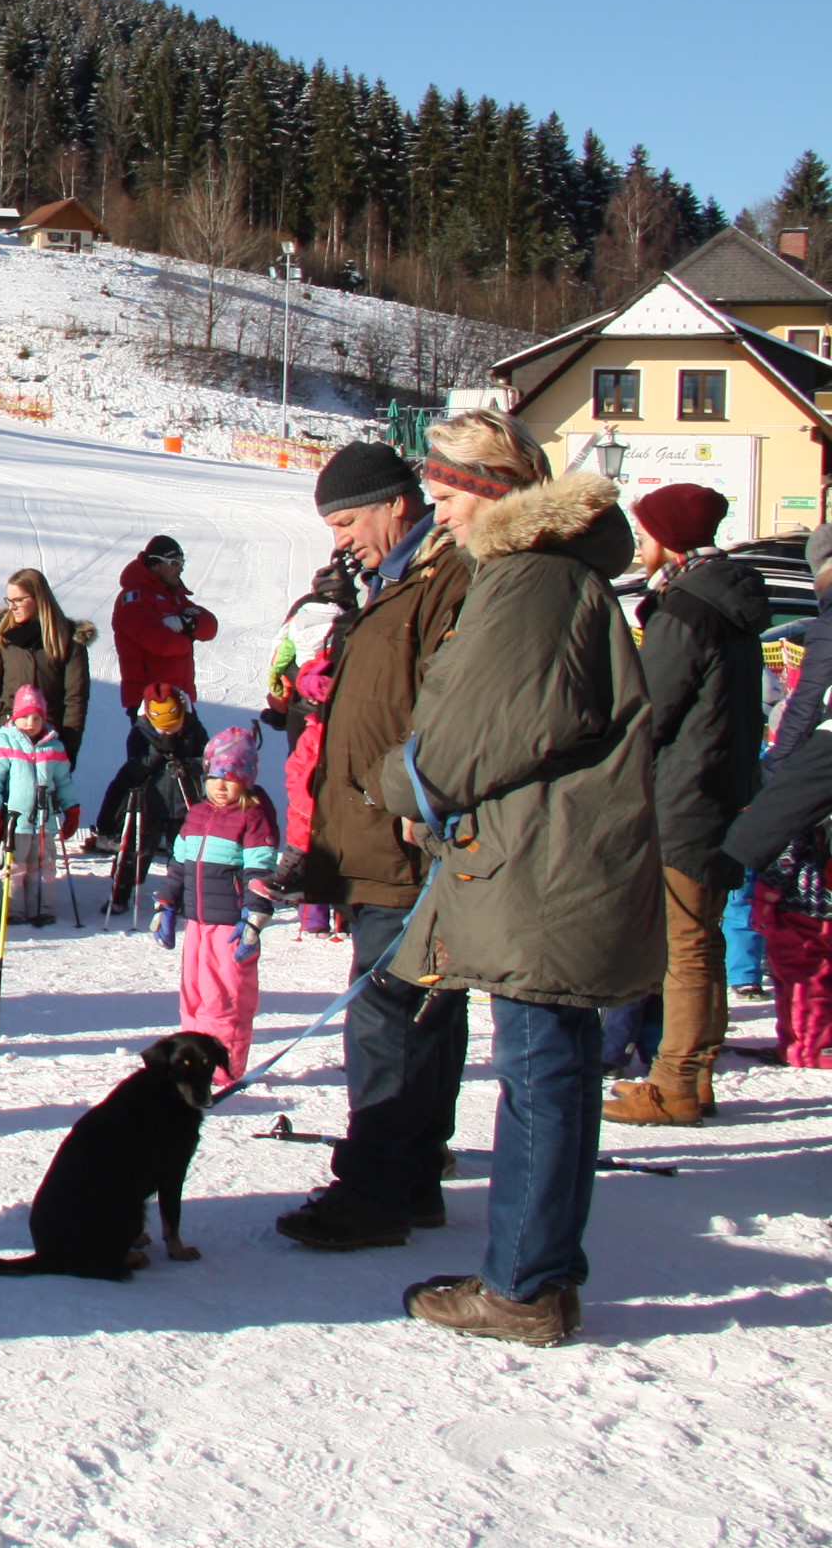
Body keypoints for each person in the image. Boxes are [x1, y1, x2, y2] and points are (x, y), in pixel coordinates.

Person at [375, 412, 660, 1347]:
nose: (438, 513)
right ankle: (537, 1275)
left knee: (539, 1070)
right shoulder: (550, 573)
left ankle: (523, 1288)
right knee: (555, 1066)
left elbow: (473, 735)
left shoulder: (531, 580)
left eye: (446, 495)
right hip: (552, 850)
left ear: (491, 491)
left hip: (544, 858)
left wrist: (394, 781)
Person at [275, 439, 477, 1254]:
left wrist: (408, 802)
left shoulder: (446, 578)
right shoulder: (396, 580)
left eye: (349, 522)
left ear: (398, 504)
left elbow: (447, 713)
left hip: (406, 840)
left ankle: (377, 1190)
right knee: (416, 1008)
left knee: (388, 1014)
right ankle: (411, 1176)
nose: (341, 541)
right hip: (374, 835)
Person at [606, 482, 767, 1127]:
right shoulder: (727, 601)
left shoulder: (687, 608)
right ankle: (693, 1077)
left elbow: (652, 709)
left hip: (685, 795)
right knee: (702, 939)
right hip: (723, 790)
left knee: (684, 946)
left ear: (668, 540)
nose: (639, 546)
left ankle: (673, 1082)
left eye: (645, 534)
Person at [157, 728, 278, 1085]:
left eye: (232, 778)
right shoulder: (196, 814)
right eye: (215, 777)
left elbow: (259, 872)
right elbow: (179, 865)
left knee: (224, 999)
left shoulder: (253, 818)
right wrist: (166, 904)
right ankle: (192, 1063)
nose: (221, 786)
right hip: (197, 923)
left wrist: (254, 917)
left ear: (247, 780)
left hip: (230, 927)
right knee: (193, 995)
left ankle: (223, 1069)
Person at [264, 559, 361, 939]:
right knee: (343, 799)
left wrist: (279, 701)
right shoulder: (352, 620)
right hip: (340, 709)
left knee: (303, 795)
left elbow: (279, 660)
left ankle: (312, 909)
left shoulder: (299, 616)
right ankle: (344, 909)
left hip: (303, 709)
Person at [723, 752, 832, 1068]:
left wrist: (765, 899)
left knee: (801, 979)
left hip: (803, 906)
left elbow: (784, 858)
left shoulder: (801, 802)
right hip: (823, 904)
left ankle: (808, 1048)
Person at [97, 686, 208, 917]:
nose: (169, 731)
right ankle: (119, 895)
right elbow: (134, 768)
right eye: (163, 728)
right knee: (136, 851)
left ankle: (181, 897)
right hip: (149, 802)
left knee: (183, 853)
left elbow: (207, 759)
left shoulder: (194, 728)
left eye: (174, 726)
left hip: (184, 801)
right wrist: (156, 751)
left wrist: (188, 766)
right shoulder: (140, 732)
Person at [0, 683, 78, 925]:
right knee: (12, 866)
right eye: (24, 717)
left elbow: (63, 781)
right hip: (14, 821)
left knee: (43, 867)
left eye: (36, 718)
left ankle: (41, 909)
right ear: (15, 717)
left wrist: (71, 809)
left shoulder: (54, 746)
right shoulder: (4, 743)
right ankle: (10, 910)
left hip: (45, 820)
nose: (30, 723)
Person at [0, 568, 95, 764]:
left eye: (19, 600)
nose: (12, 606)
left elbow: (75, 700)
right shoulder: (4, 638)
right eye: (9, 600)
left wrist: (69, 750)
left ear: (38, 598)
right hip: (5, 742)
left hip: (48, 744)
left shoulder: (68, 640)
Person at [111, 535, 219, 714]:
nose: (180, 569)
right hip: (151, 702)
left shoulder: (174, 597)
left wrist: (188, 624)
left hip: (180, 697)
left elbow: (210, 627)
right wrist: (188, 637)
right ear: (156, 564)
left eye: (182, 563)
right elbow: (163, 643)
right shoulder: (133, 598)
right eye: (175, 563)